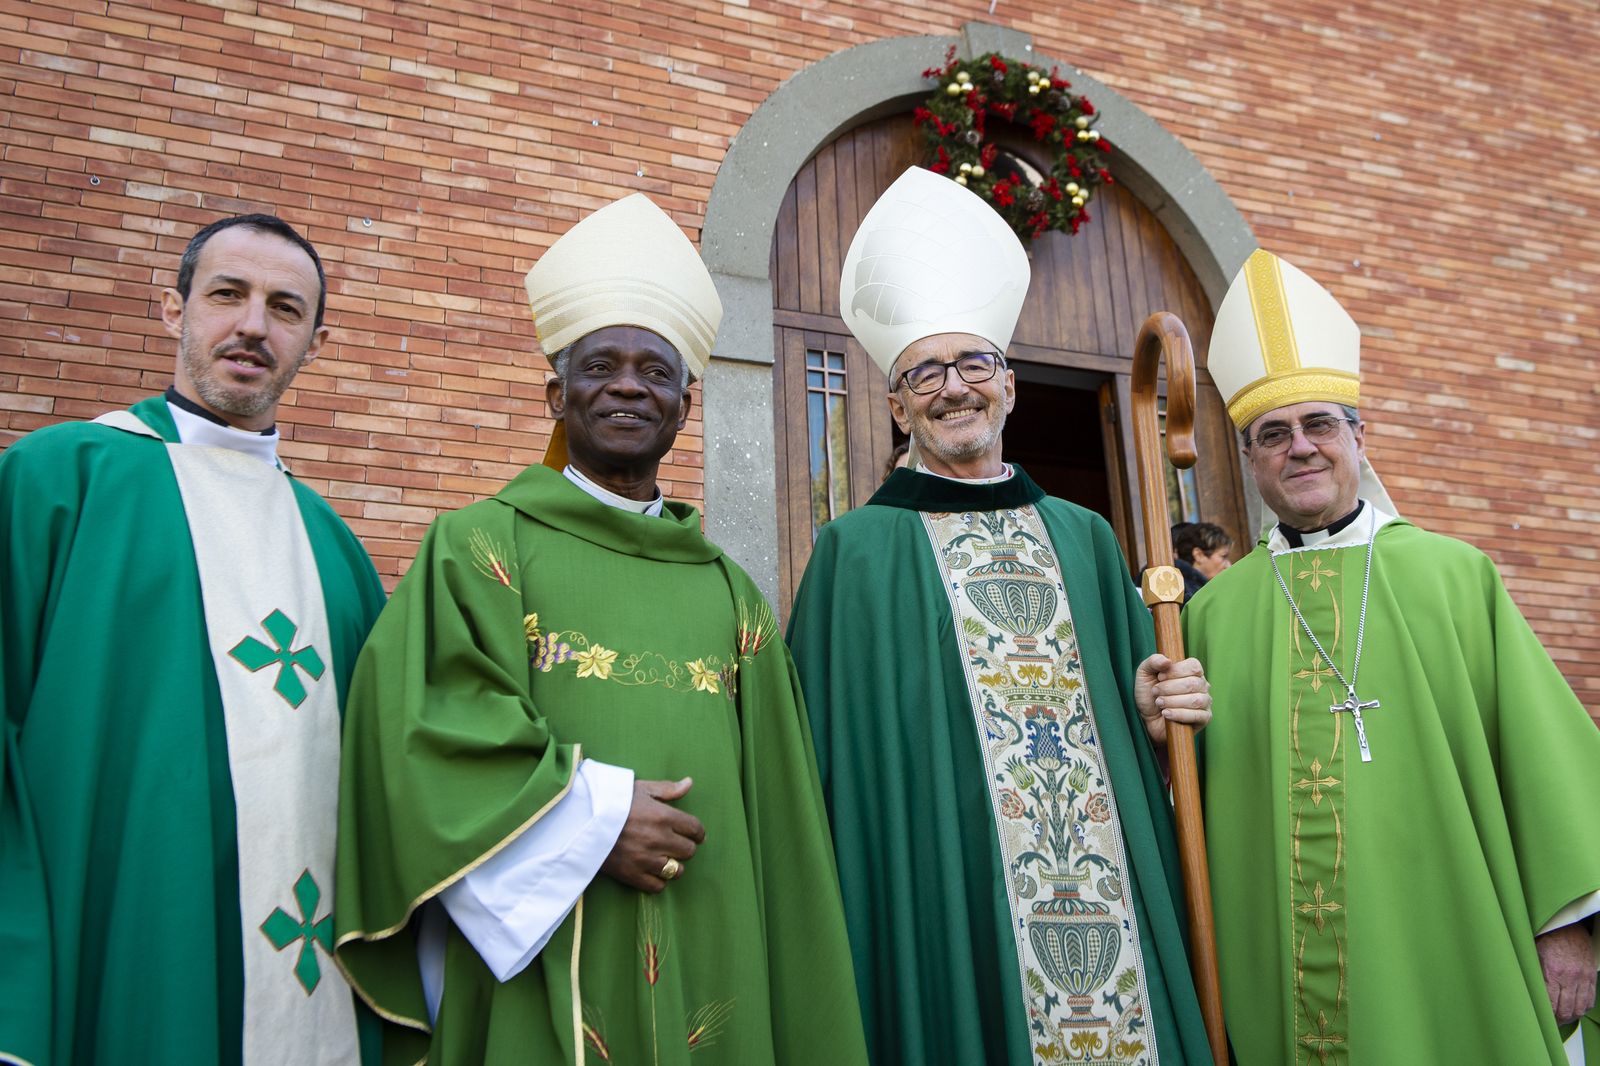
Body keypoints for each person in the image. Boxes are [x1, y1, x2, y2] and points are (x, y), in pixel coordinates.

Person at [334, 193, 868, 1066]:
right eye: (600, 366)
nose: (628, 384)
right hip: (537, 941)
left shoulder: (732, 595)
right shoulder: (477, 547)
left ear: (686, 405)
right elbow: (421, 738)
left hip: (715, 937)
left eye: (655, 371)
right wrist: (591, 822)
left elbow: (786, 823)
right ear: (556, 393)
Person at [786, 165, 1215, 1066]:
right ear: (898, 405)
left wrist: (1151, 712)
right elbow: (835, 771)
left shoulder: (1088, 537)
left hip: (1110, 914)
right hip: (945, 904)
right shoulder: (854, 554)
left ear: (1011, 386)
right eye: (924, 374)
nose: (954, 388)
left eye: (974, 363)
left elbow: (1144, 733)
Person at [1183, 248, 1600, 1065]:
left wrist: (1570, 936)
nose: (1299, 448)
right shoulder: (1215, 614)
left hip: (1454, 942)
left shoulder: (1452, 574)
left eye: (1319, 425)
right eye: (1273, 434)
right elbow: (1192, 799)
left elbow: (1546, 765)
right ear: (1251, 459)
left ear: (1358, 437)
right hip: (1279, 965)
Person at [0, 214, 387, 1065]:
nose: (253, 325)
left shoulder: (335, 550)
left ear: (314, 343)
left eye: (285, 309)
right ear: (173, 311)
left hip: (302, 957)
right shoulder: (57, 481)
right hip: (112, 943)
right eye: (226, 295)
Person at [1170, 521, 1233, 604]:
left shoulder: (1191, 590)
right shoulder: (1185, 593)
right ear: (1199, 555)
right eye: (1223, 556)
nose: (1229, 565)